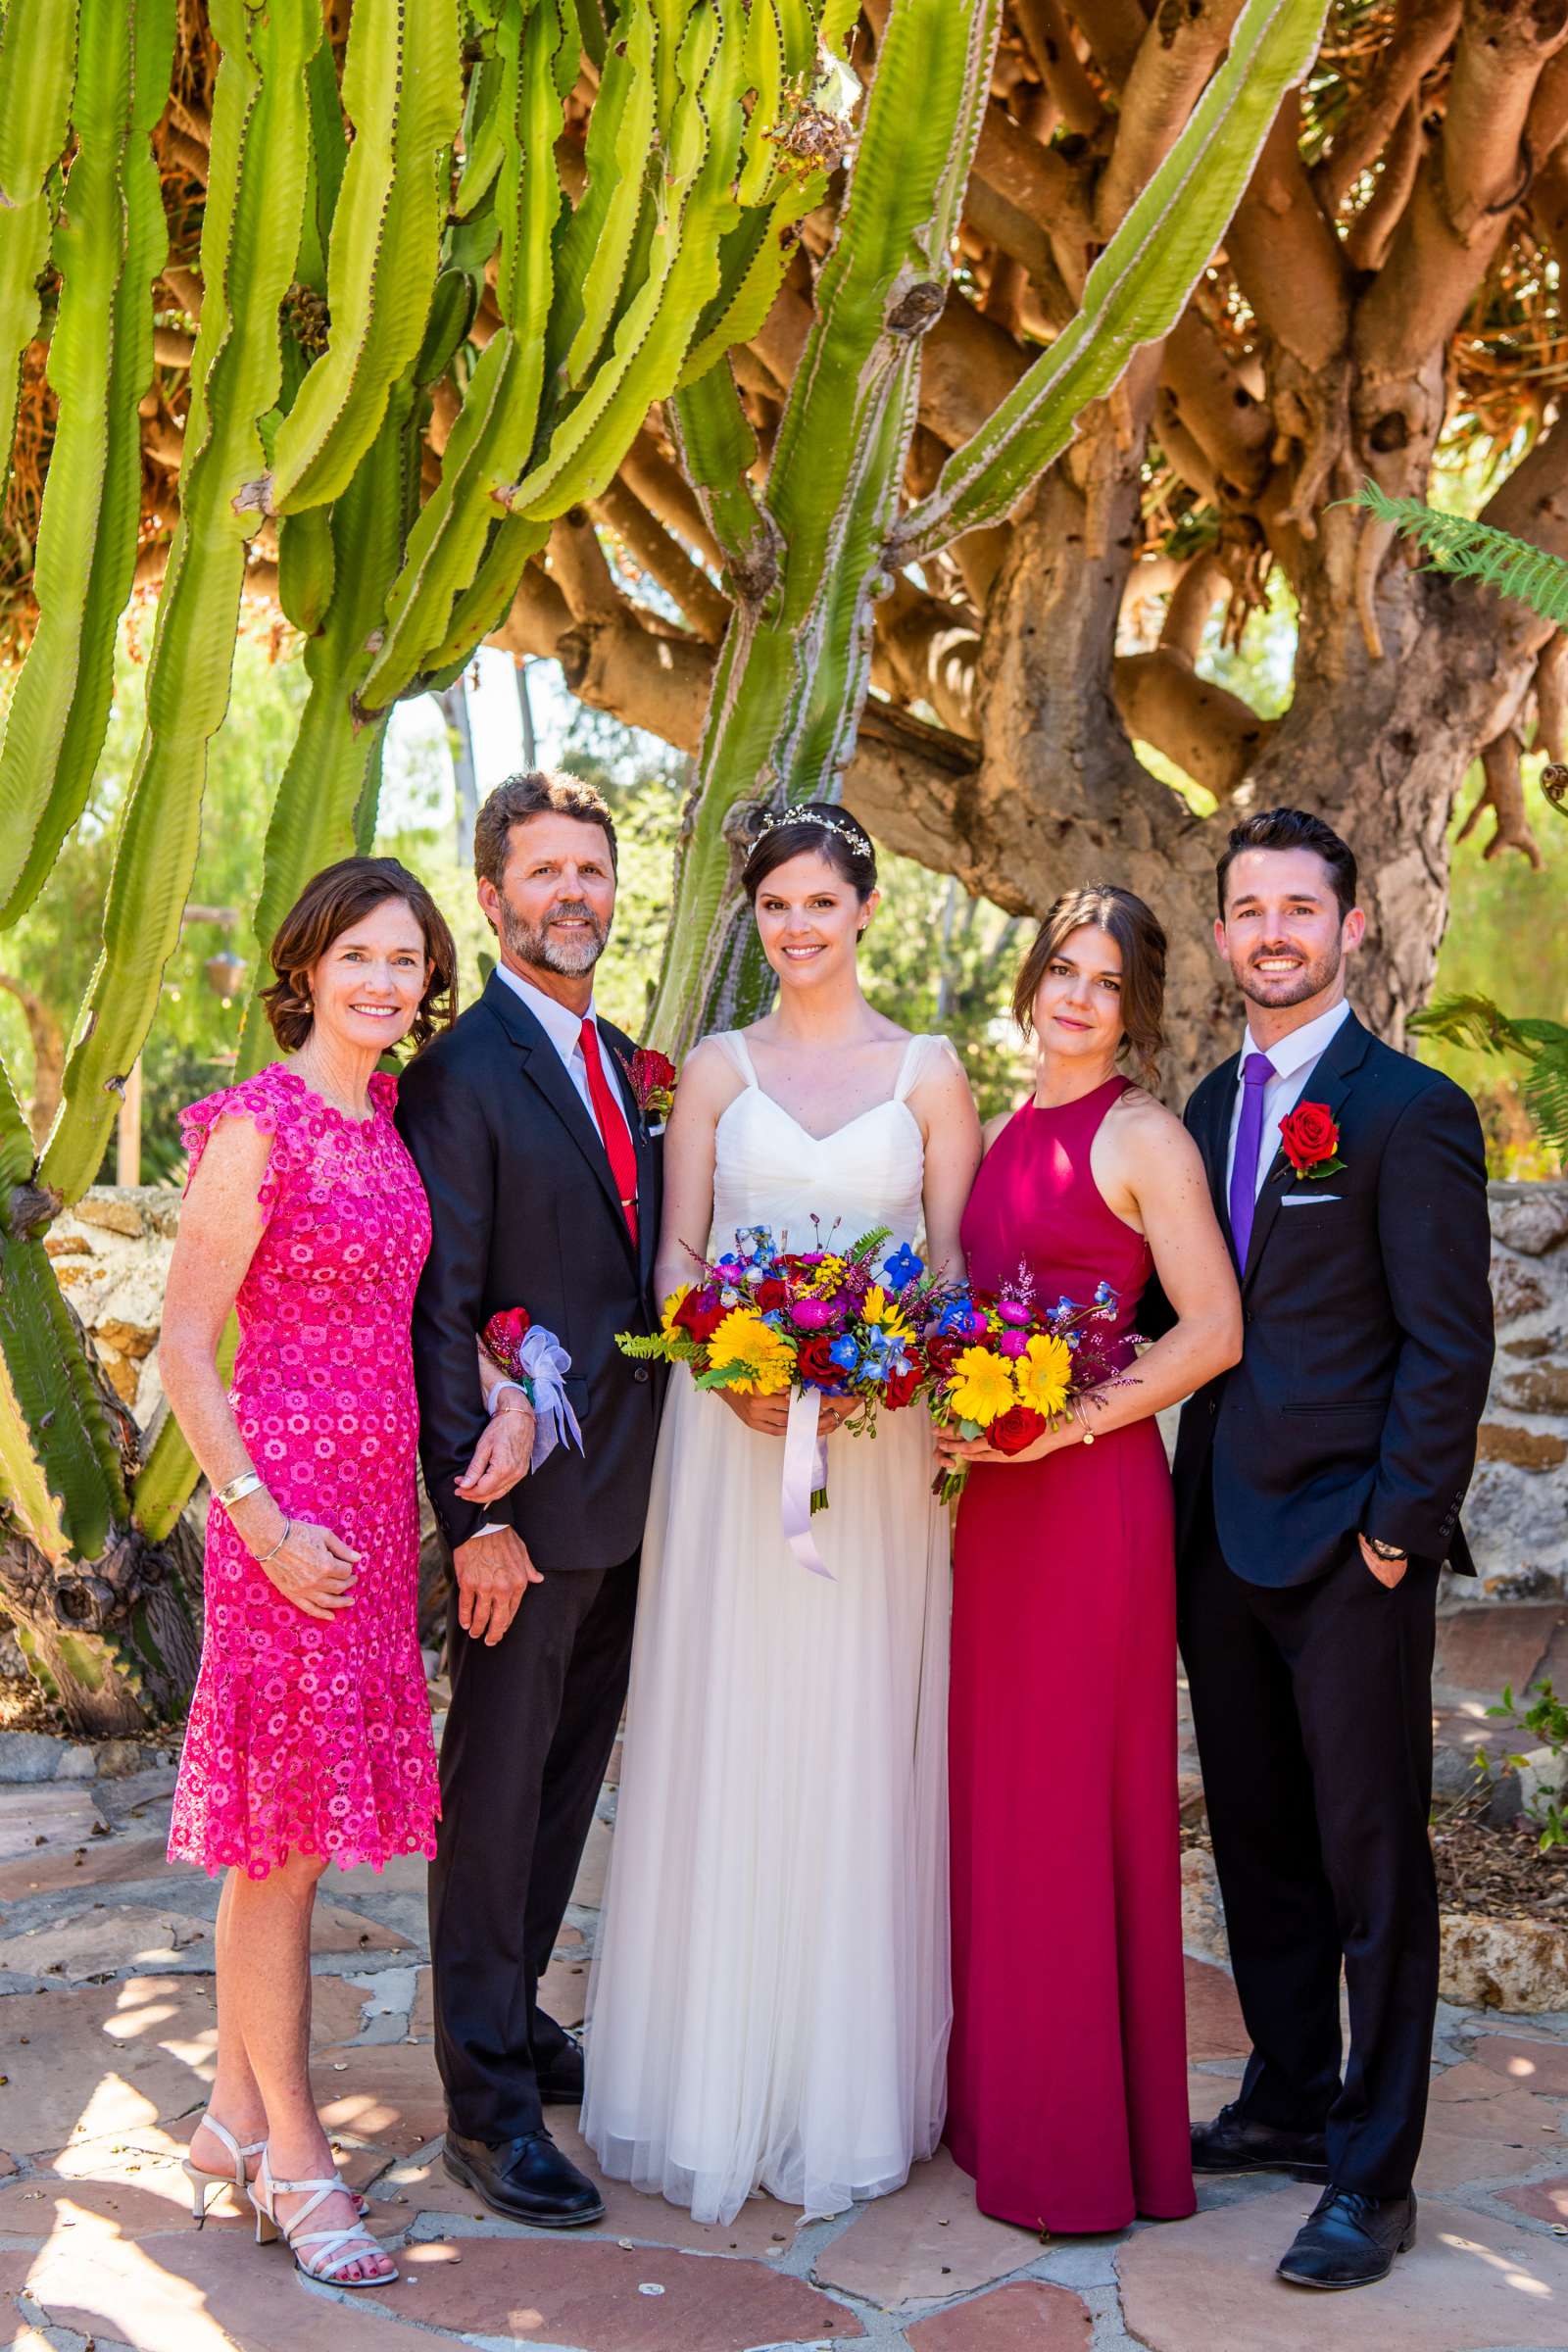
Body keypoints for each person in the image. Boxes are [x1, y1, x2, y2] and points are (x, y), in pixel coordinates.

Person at [581, 802, 981, 2227]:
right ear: (754, 918)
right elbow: (679, 1254)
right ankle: (705, 2075)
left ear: (866, 909)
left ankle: (840, 2086)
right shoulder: (714, 1069)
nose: (799, 928)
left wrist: (878, 1356)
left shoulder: (931, 1074)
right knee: (729, 1724)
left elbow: (947, 1272)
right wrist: (731, 1354)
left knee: (853, 1732)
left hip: (871, 1459)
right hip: (733, 1442)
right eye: (776, 908)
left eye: (821, 904)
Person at [163, 858, 524, 2288]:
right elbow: (188, 1343)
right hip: (290, 1519)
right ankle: (297, 2164)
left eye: (406, 962)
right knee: (284, 1847)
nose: (383, 982)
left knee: (286, 1827)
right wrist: (253, 1517)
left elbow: (405, 1307)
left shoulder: (380, 1120)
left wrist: (502, 1384)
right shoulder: (254, 1125)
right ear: (308, 964)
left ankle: (229, 2118)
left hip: (376, 1518)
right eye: (358, 956)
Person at [1173, 807, 1494, 2290]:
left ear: (1351, 927)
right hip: (1219, 1548)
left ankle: (1374, 2173)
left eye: (1301, 907)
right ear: (1226, 932)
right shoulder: (1195, 1111)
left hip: (1350, 1549)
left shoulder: (1406, 1108)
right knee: (1259, 1847)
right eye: (1250, 909)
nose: (1275, 932)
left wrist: (1394, 1535)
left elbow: (1447, 1346)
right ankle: (1291, 2098)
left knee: (1373, 1865)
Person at [936, 885, 1242, 2235]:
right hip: (997, 1513)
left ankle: (1077, 2154)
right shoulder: (1007, 1132)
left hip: (1092, 1504)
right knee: (1005, 1807)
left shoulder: (1142, 1137)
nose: (1075, 995)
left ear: (1138, 1010)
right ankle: (1005, 2114)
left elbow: (1212, 1330)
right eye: (1062, 968)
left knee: (1073, 1812)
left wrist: (1061, 1426)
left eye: (1105, 982)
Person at [394, 769, 664, 2230]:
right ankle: (486, 2108)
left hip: (626, 1503)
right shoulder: (461, 1073)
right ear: (493, 896)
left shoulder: (627, 1062)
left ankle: (517, 2015)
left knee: (564, 1790)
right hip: (519, 1515)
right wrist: (472, 1520)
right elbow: (444, 1309)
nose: (574, 894)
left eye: (594, 871)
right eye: (546, 873)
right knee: (494, 1803)